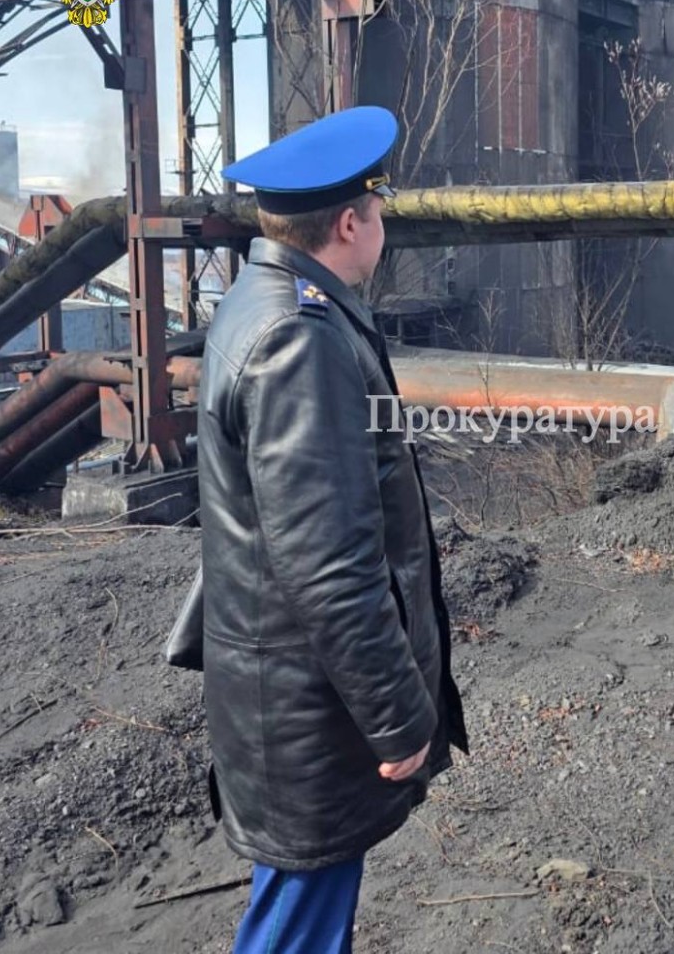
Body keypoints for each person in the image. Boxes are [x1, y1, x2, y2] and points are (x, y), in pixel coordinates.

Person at [168, 105, 468, 954]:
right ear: (348, 224)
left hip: (292, 686)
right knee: (297, 926)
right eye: (378, 208)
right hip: (309, 706)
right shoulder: (299, 340)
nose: (382, 224)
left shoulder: (265, 301)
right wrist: (400, 718)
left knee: (304, 914)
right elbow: (330, 564)